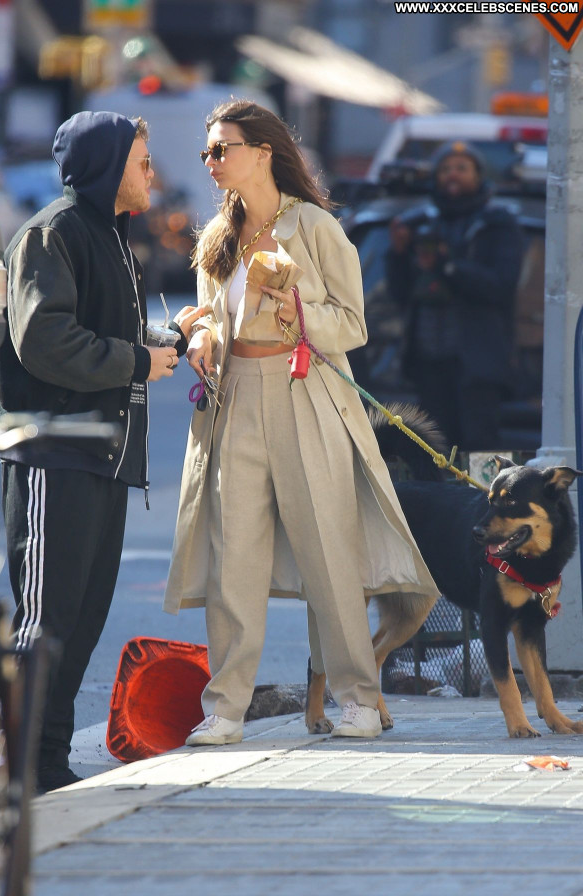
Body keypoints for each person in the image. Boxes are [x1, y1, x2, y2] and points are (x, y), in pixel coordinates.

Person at [163, 100, 438, 746]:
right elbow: (211, 318)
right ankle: (225, 709)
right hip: (233, 397)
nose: (211, 161)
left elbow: (353, 323)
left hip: (305, 391)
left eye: (222, 148)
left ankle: (358, 699)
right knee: (233, 558)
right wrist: (201, 335)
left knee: (328, 551)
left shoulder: (314, 226)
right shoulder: (216, 237)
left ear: (263, 152)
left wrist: (298, 308)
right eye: (207, 151)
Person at [0, 110, 206, 793]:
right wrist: (138, 360)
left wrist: (169, 341)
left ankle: (47, 763)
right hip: (54, 457)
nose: (152, 174)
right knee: (46, 622)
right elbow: (46, 342)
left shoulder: (112, 236)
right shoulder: (52, 233)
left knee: (82, 622)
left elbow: (107, 334)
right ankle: (15, 765)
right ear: (108, 166)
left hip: (106, 459)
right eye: (142, 161)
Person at [385, 140, 524, 450]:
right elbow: (400, 294)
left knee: (481, 451)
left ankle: (482, 487)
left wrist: (447, 266)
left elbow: (501, 286)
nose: (453, 174)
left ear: (478, 175)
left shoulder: (497, 224)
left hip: (477, 365)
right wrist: (398, 253)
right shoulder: (420, 223)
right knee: (436, 450)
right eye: (445, 169)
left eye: (462, 168)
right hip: (428, 363)